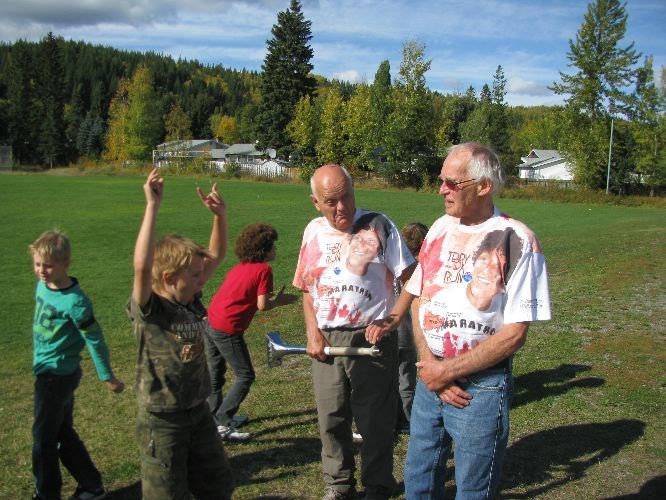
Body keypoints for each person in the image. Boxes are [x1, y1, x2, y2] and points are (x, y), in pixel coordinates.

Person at [371, 142, 551, 498]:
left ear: (483, 186)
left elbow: (515, 333)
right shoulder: (439, 227)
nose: (441, 190)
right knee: (420, 471)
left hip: (480, 387)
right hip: (430, 373)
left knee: (473, 485)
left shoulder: (517, 240)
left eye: (452, 183)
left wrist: (448, 372)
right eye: (441, 180)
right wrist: (431, 364)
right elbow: (421, 296)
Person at [293, 164, 416, 500]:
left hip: (371, 340)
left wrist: (392, 318)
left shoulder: (379, 224)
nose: (342, 207)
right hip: (327, 341)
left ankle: (377, 486)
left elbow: (412, 278)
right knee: (331, 417)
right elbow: (307, 288)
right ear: (315, 202)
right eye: (331, 201)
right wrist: (312, 333)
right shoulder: (313, 232)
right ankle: (339, 486)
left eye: (346, 196)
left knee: (374, 421)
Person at [128, 168, 234, 499]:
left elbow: (214, 256)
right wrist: (152, 207)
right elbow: (143, 268)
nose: (202, 279)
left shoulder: (190, 298)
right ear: (171, 277)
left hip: (198, 410)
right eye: (195, 275)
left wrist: (220, 217)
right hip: (163, 419)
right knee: (166, 494)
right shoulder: (150, 308)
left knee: (217, 484)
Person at [29, 230, 125, 500]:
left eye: (48, 265)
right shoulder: (42, 286)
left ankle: (46, 494)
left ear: (65, 263)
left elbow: (95, 340)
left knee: (43, 440)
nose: (42, 271)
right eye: (37, 264)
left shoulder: (76, 302)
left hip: (56, 375)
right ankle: (91, 485)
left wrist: (107, 376)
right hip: (46, 371)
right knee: (61, 432)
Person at [205, 222, 295, 442]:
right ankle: (223, 420)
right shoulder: (264, 270)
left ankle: (211, 421)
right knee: (245, 375)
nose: (275, 250)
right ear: (263, 250)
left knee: (215, 375)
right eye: (273, 246)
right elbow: (263, 305)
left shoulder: (239, 267)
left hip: (209, 323)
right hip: (228, 329)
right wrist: (280, 302)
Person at [394, 222, 428, 435]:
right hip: (407, 333)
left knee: (387, 378)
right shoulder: (421, 270)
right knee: (406, 378)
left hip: (385, 331)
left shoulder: (393, 264)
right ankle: (405, 419)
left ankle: (388, 415)